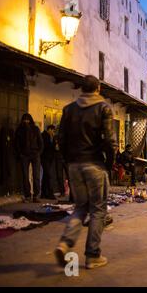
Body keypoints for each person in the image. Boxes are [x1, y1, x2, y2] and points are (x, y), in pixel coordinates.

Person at [55, 75, 117, 270]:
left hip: (74, 165)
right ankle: (92, 255)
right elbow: (109, 140)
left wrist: (68, 161)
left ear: (82, 89)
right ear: (97, 89)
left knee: (81, 207)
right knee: (98, 210)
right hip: (94, 164)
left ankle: (65, 244)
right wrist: (110, 162)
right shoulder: (103, 108)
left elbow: (61, 138)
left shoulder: (68, 109)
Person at [15, 113, 43, 202]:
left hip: (35, 154)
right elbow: (17, 144)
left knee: (36, 175)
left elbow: (41, 142)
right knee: (25, 176)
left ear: (30, 120)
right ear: (22, 120)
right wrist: (20, 154)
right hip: (24, 155)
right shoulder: (19, 130)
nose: (26, 121)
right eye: (24, 120)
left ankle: (36, 196)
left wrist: (38, 152)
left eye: (28, 120)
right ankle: (27, 195)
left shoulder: (35, 129)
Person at [41, 125, 57, 200]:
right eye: (53, 130)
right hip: (44, 158)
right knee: (49, 175)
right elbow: (44, 146)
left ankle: (43, 193)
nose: (53, 132)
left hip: (50, 158)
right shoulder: (43, 135)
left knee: (45, 175)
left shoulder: (52, 137)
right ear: (49, 129)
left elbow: (53, 147)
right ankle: (50, 193)